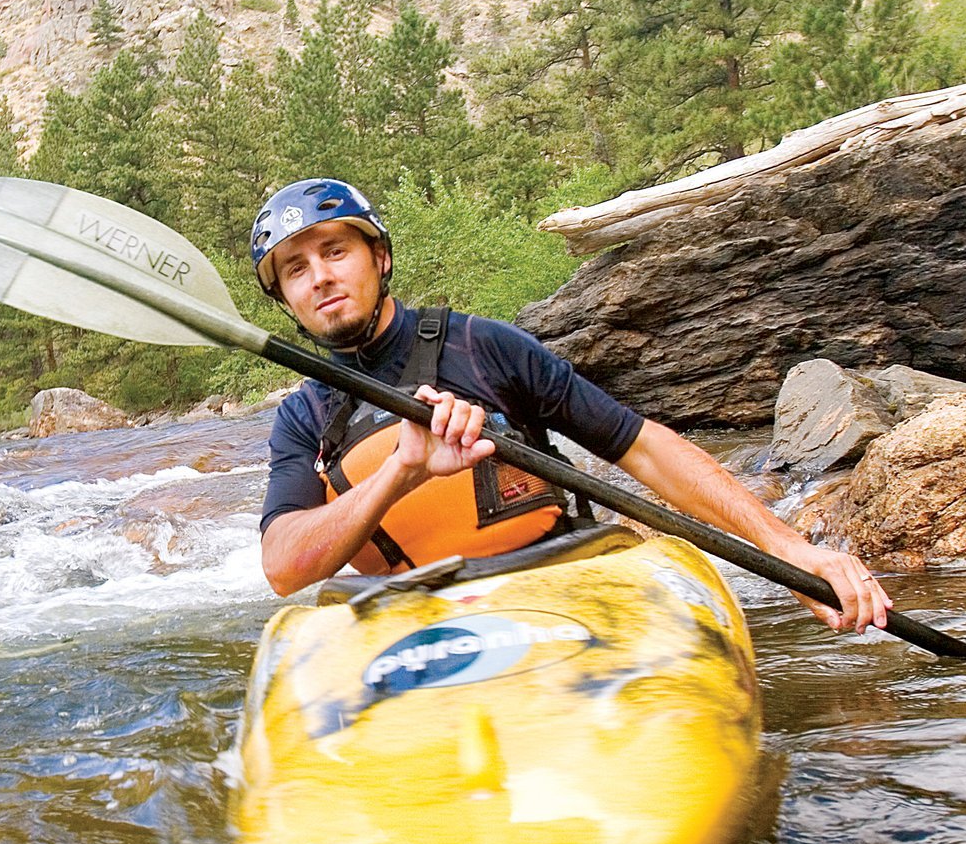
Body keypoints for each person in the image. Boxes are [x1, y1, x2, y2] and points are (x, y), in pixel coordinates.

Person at [251, 178, 891, 635]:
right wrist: (399, 473)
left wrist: (792, 551)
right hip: (407, 621)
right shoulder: (304, 419)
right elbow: (284, 568)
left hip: (553, 581)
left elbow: (640, 447)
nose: (321, 277)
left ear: (379, 258)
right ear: (285, 298)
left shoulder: (483, 347)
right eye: (296, 269)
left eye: (336, 251)